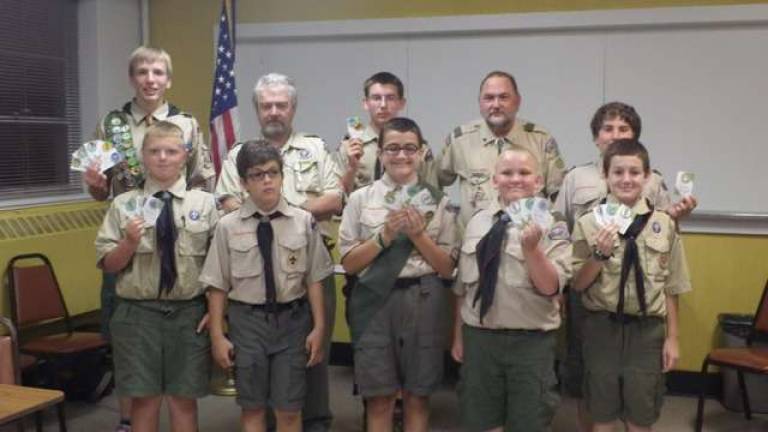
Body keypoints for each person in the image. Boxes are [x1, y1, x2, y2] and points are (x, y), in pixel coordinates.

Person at [84, 46, 215, 432]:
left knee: (182, 397)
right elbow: (100, 190)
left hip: (183, 235)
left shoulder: (187, 124)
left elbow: (201, 181)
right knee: (137, 383)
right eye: (142, 72)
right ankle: (126, 421)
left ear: (168, 79)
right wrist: (94, 187)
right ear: (132, 78)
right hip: (131, 242)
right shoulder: (113, 125)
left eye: (158, 72)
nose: (150, 79)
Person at [553, 102, 697, 431]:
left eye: (635, 173)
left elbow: (671, 282)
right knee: (598, 404)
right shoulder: (587, 216)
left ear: (648, 177)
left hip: (647, 328)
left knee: (641, 410)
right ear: (605, 175)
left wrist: (673, 338)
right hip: (599, 322)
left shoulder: (662, 221)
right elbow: (576, 279)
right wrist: (598, 256)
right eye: (618, 172)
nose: (627, 179)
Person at [215, 73, 341, 431]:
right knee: (257, 370)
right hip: (252, 272)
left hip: (308, 270)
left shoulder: (315, 149)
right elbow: (227, 201)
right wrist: (285, 209)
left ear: (293, 108)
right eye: (266, 105)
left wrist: (287, 210)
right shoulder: (240, 154)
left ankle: (313, 422)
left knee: (312, 356)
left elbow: (334, 198)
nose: (273, 111)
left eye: (280, 105)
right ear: (257, 108)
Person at [201, 141, 332, 432]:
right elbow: (217, 285)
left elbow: (314, 279)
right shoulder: (227, 226)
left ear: (282, 176)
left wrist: (319, 327)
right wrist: (217, 337)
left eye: (273, 172)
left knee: (290, 408)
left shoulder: (303, 221)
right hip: (247, 323)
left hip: (292, 321)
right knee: (253, 407)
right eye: (257, 175)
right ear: (244, 183)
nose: (267, 180)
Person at [339, 117, 458, 432]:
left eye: (409, 148)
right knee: (380, 398)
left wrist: (419, 236)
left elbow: (447, 268)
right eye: (392, 148)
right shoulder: (360, 199)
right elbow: (349, 264)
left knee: (418, 396)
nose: (401, 156)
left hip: (424, 296)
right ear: (379, 153)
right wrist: (384, 237)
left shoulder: (438, 201)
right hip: (374, 300)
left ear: (421, 153)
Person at [451, 147, 571, 432]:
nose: (515, 179)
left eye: (524, 172)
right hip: (480, 338)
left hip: (530, 341)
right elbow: (464, 288)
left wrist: (532, 251)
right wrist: (457, 336)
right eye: (506, 173)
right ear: (494, 180)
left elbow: (551, 286)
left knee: (528, 420)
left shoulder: (553, 224)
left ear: (539, 181)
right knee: (480, 418)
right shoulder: (478, 221)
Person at [438, 70, 566, 227]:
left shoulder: (540, 139)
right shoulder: (460, 140)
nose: (496, 105)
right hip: (475, 241)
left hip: (527, 239)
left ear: (518, 101)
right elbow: (434, 183)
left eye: (504, 97)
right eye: (489, 98)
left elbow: (558, 196)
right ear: (480, 102)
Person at [336, 71, 436, 194]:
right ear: (366, 103)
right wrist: (352, 169)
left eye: (390, 98)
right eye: (376, 98)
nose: (383, 105)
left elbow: (432, 195)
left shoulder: (419, 148)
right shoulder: (350, 146)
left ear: (401, 103)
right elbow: (339, 199)